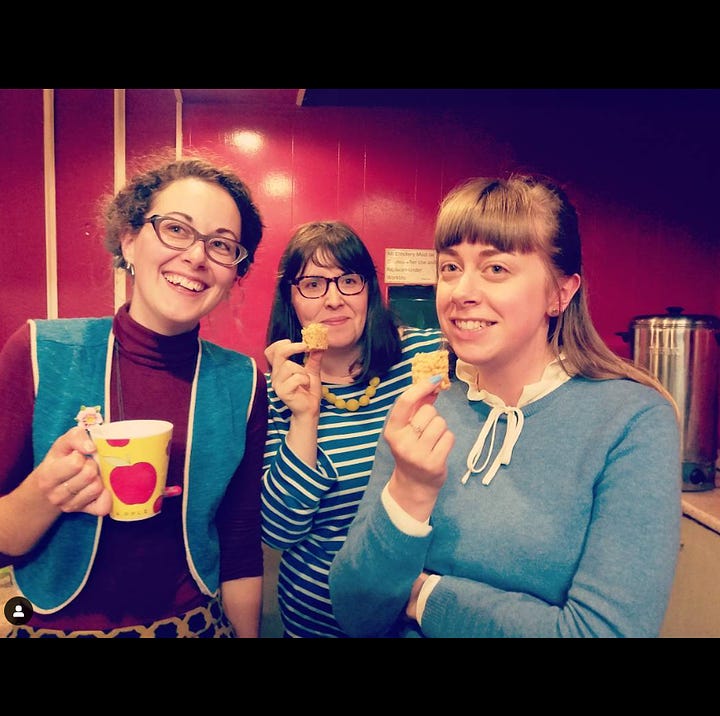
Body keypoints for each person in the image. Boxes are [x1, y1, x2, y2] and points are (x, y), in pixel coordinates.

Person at [328, 174, 683, 638]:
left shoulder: (631, 421)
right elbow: (355, 612)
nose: (459, 292)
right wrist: (410, 492)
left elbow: (604, 632)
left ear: (560, 292)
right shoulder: (425, 411)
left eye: (495, 268)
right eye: (450, 267)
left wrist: (426, 597)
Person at [0, 153, 268, 638]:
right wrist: (47, 492)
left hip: (194, 625)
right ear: (129, 239)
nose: (197, 256)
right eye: (177, 230)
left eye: (221, 245)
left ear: (233, 273)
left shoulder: (242, 382)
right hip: (51, 624)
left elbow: (240, 536)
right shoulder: (40, 352)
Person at [262, 220, 444, 638]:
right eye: (312, 284)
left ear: (369, 289)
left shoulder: (422, 356)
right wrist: (304, 417)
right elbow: (279, 531)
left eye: (348, 280)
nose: (334, 300)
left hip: (413, 614)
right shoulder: (278, 387)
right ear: (290, 300)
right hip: (316, 618)